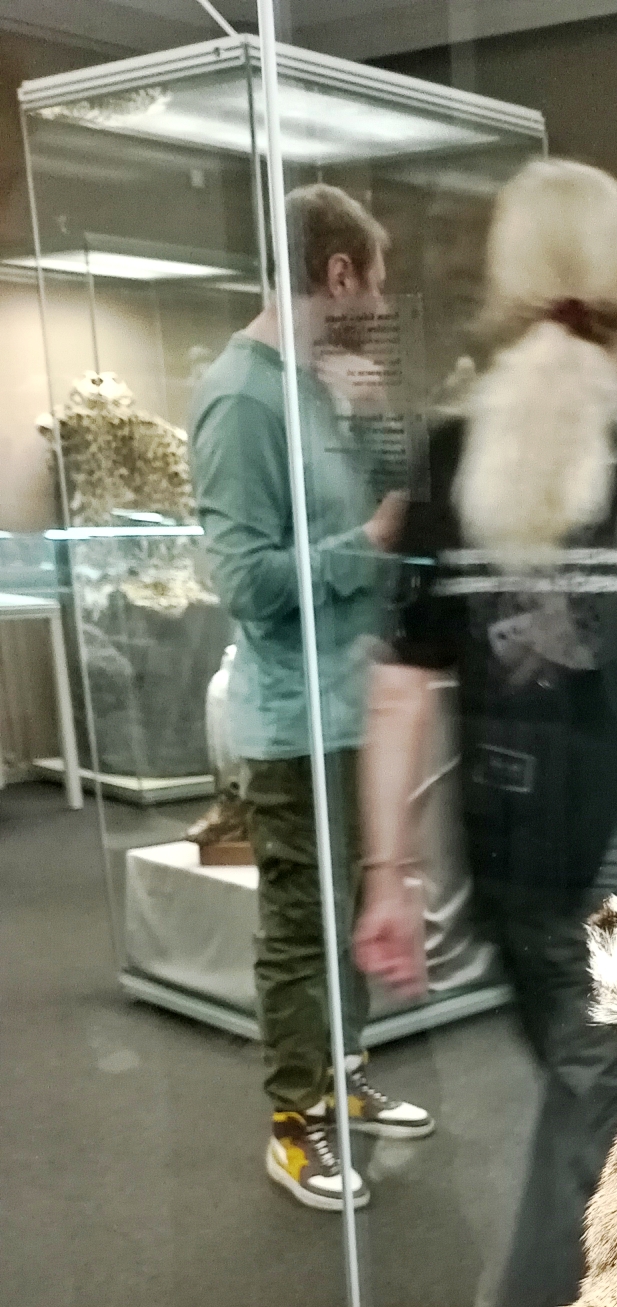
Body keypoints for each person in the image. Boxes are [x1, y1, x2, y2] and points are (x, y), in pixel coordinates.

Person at [353, 158, 617, 1307]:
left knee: (599, 1103)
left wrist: (387, 880)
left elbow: (399, 692)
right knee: (599, 1126)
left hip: (497, 859)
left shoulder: (446, 459)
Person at [190, 184, 435, 1215]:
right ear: (339, 275)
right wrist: (364, 547)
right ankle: (297, 1121)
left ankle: (339, 1073)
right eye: (372, 282)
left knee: (350, 920)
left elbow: (370, 506)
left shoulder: (312, 387)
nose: (377, 301)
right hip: (293, 723)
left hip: (349, 710)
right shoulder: (241, 397)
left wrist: (373, 420)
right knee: (300, 928)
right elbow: (241, 580)